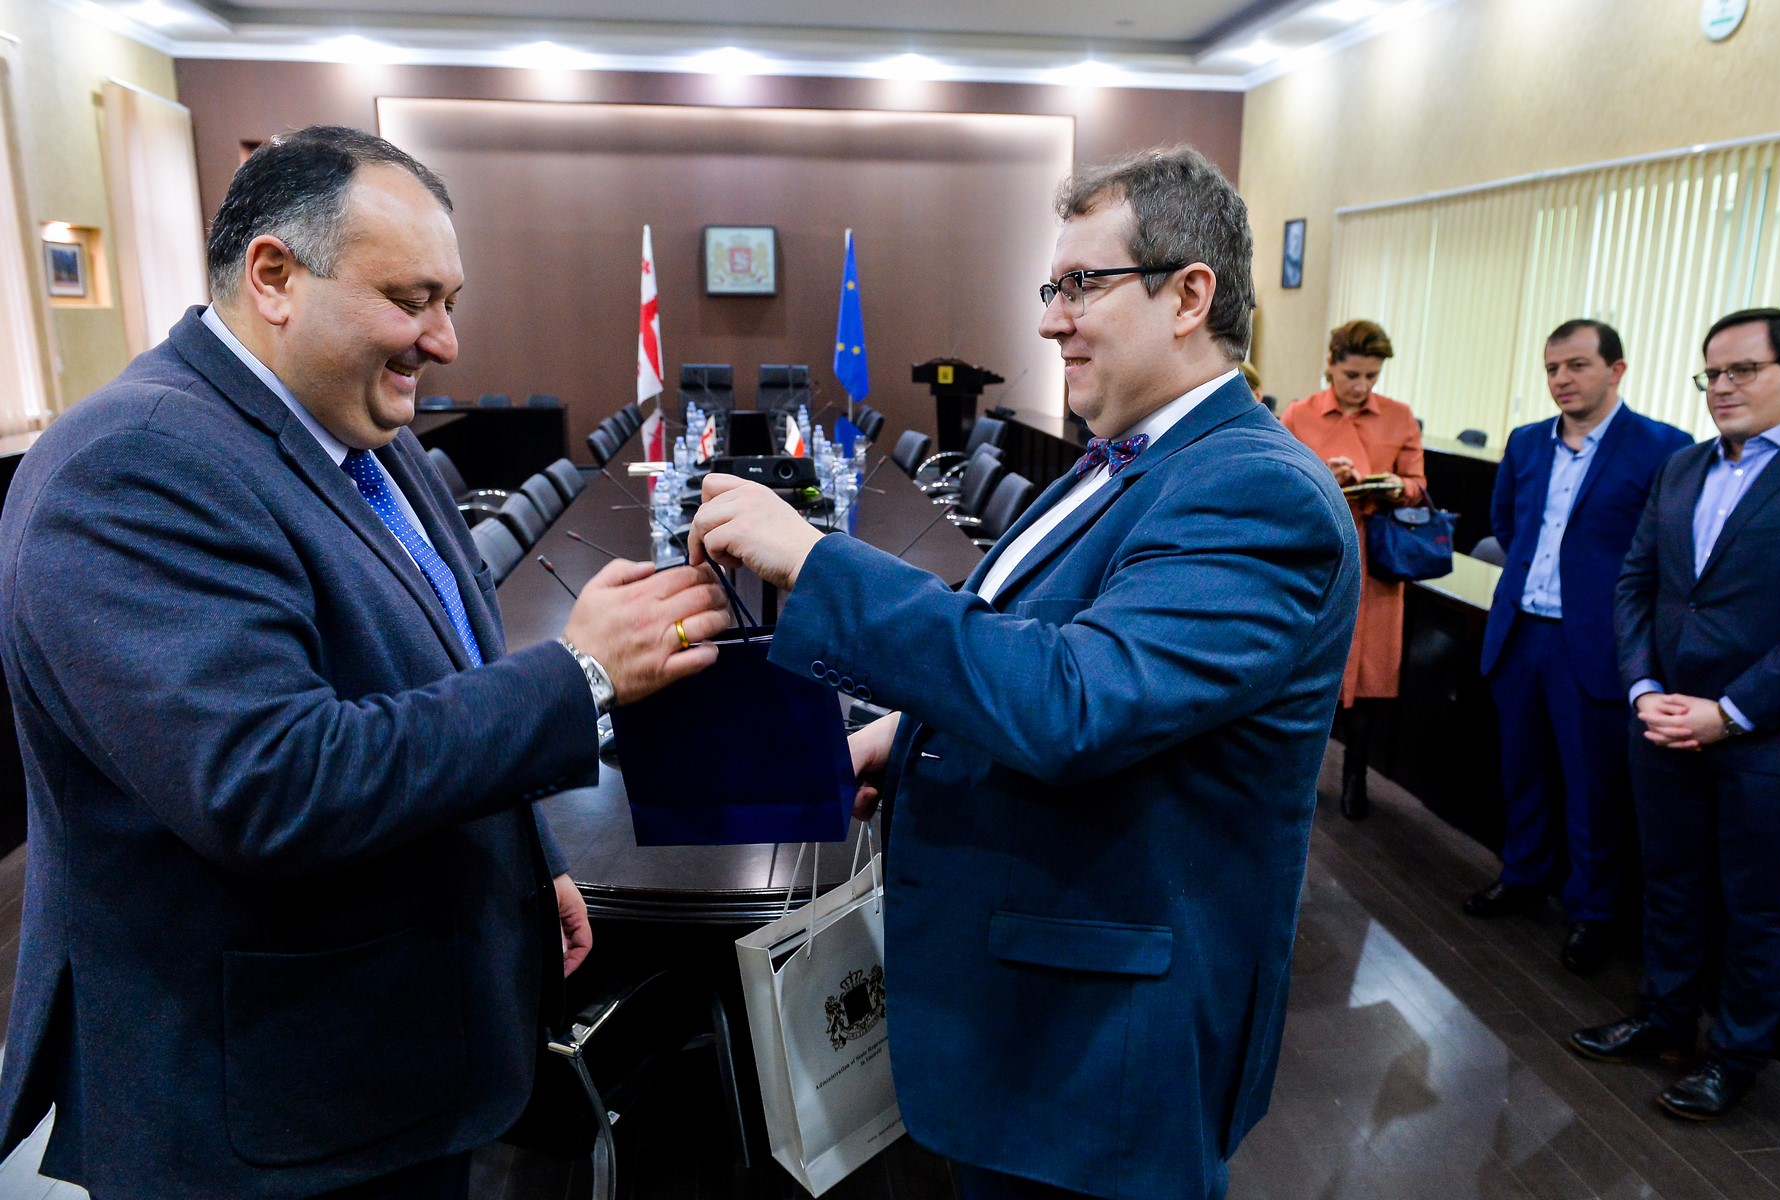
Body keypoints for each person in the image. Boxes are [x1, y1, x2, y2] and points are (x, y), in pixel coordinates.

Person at [0, 126, 731, 1198]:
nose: (445, 341)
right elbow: (267, 783)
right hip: (264, 1109)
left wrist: (532, 858)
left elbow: (443, 667)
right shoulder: (134, 463)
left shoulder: (365, 440)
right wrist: (579, 676)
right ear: (274, 277)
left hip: (388, 1062)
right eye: (410, 299)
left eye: (450, 301)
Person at [689, 147, 1359, 1200]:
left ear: (1190, 296)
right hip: (1031, 1026)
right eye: (1051, 290)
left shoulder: (1255, 491)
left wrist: (819, 563)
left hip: (1101, 1062)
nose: (1051, 321)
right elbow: (1021, 639)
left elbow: (1074, 701)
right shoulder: (1128, 458)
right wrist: (906, 736)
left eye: (1080, 285)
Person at [1572, 307, 1780, 1120]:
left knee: (1759, 909)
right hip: (1664, 724)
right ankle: (1664, 1019)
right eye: (1711, 373)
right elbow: (1636, 585)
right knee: (1672, 885)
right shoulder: (1683, 467)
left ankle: (1735, 1058)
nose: (1721, 387)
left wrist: (1729, 712)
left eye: (1742, 370)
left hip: (1776, 740)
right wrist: (1642, 689)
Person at [1466, 320, 1691, 974]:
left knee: (1593, 789)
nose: (1561, 379)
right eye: (1552, 368)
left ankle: (1593, 912)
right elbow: (1507, 523)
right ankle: (1523, 875)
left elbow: (1664, 554)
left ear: (1616, 370)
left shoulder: (1663, 448)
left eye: (1577, 365)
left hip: (1594, 643)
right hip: (1520, 634)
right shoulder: (1527, 441)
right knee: (1522, 770)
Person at [1280, 320, 1426, 819]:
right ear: (1331, 365)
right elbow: (1281, 481)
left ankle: (1356, 778)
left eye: (1371, 376)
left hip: (1378, 563)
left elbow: (1418, 484)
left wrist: (1395, 486)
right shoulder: (1300, 414)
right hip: (1318, 556)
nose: (1362, 386)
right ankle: (1303, 777)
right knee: (1312, 667)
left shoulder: (1400, 417)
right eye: (1352, 375)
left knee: (1369, 679)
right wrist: (1324, 474)